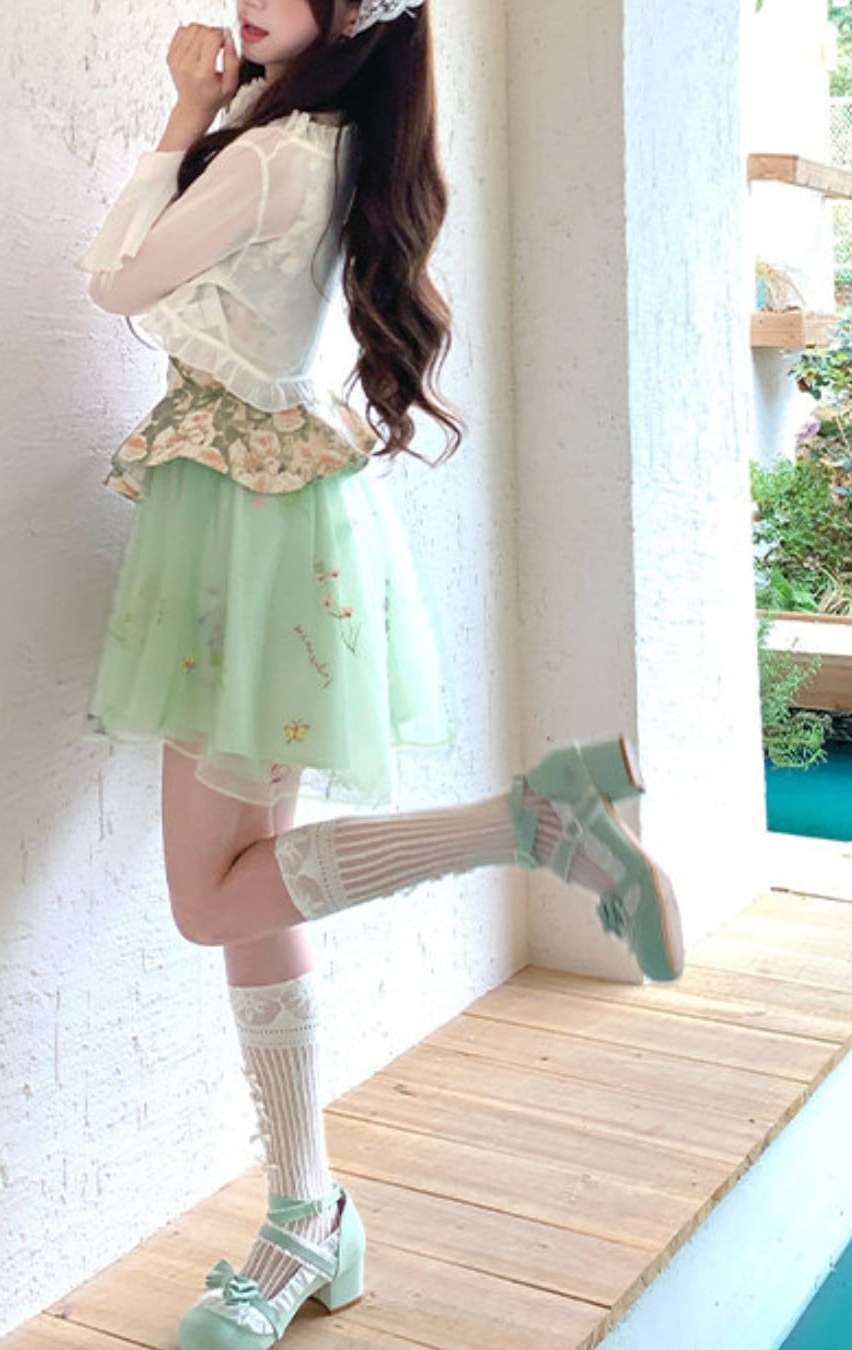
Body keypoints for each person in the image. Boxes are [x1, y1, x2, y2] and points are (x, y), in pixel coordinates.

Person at [76, 2, 684, 1346]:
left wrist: (184, 111)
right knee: (249, 890)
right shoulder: (337, 141)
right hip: (279, 525)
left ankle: (528, 823)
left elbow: (114, 280)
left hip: (242, 537)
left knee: (207, 898)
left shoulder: (271, 152)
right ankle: (310, 1215)